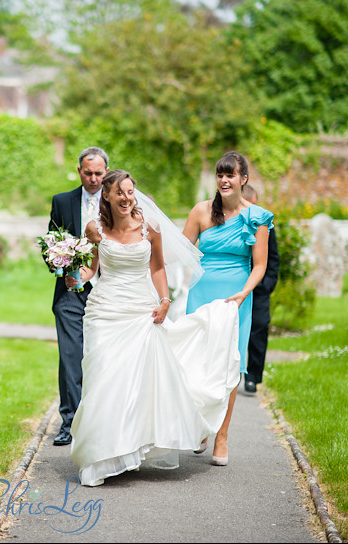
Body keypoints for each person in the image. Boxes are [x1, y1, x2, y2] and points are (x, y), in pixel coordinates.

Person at [67, 170, 241, 486]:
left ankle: (127, 448)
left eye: (130, 192)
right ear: (106, 195)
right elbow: (91, 268)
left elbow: (158, 267)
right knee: (104, 377)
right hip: (104, 312)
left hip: (141, 311)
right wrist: (73, 274)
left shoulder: (150, 227)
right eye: (120, 193)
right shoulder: (95, 229)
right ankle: (100, 455)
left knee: (134, 382)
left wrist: (164, 300)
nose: (126, 198)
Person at [183, 151, 273, 466]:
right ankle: (200, 425)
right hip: (200, 293)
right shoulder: (201, 212)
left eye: (230, 175)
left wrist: (243, 294)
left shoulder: (258, 217)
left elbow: (259, 265)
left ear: (243, 179)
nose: (224, 180)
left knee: (229, 364)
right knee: (197, 361)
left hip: (236, 297)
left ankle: (222, 435)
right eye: (220, 175)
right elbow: (182, 254)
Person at [47, 147, 109, 446]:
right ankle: (69, 422)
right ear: (79, 171)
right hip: (71, 291)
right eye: (88, 173)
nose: (94, 178)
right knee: (71, 357)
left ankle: (102, 420)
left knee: (107, 357)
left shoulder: (120, 200)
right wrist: (61, 264)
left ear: (106, 172)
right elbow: (51, 244)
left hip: (110, 290)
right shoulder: (62, 202)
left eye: (99, 173)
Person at [241, 184, 280, 395]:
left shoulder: (266, 225)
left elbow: (273, 257)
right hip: (237, 285)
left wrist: (268, 283)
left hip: (261, 288)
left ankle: (253, 377)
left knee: (259, 328)